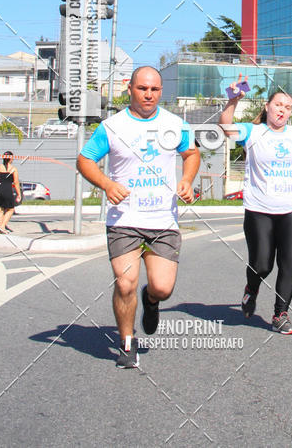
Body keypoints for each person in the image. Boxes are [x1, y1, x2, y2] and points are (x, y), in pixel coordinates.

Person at [77, 66, 200, 368]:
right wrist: (107, 184)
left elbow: (192, 154)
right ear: (130, 88)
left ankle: (151, 300)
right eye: (143, 88)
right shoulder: (112, 126)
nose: (148, 94)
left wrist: (187, 180)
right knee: (125, 283)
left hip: (163, 221)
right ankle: (127, 343)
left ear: (161, 91)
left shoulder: (175, 124)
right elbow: (85, 159)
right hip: (124, 220)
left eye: (154, 89)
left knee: (162, 288)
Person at [220, 75, 292, 335]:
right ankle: (251, 288)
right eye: (278, 105)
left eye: (288, 107)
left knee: (289, 264)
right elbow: (226, 127)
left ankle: (280, 314)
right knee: (262, 265)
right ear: (267, 107)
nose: (282, 110)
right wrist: (232, 101)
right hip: (259, 210)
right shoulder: (253, 132)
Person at [0, 150, 21, 234]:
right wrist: (19, 194)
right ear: (10, 159)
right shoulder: (13, 169)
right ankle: (2, 226)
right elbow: (16, 182)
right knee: (10, 209)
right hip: (7, 190)